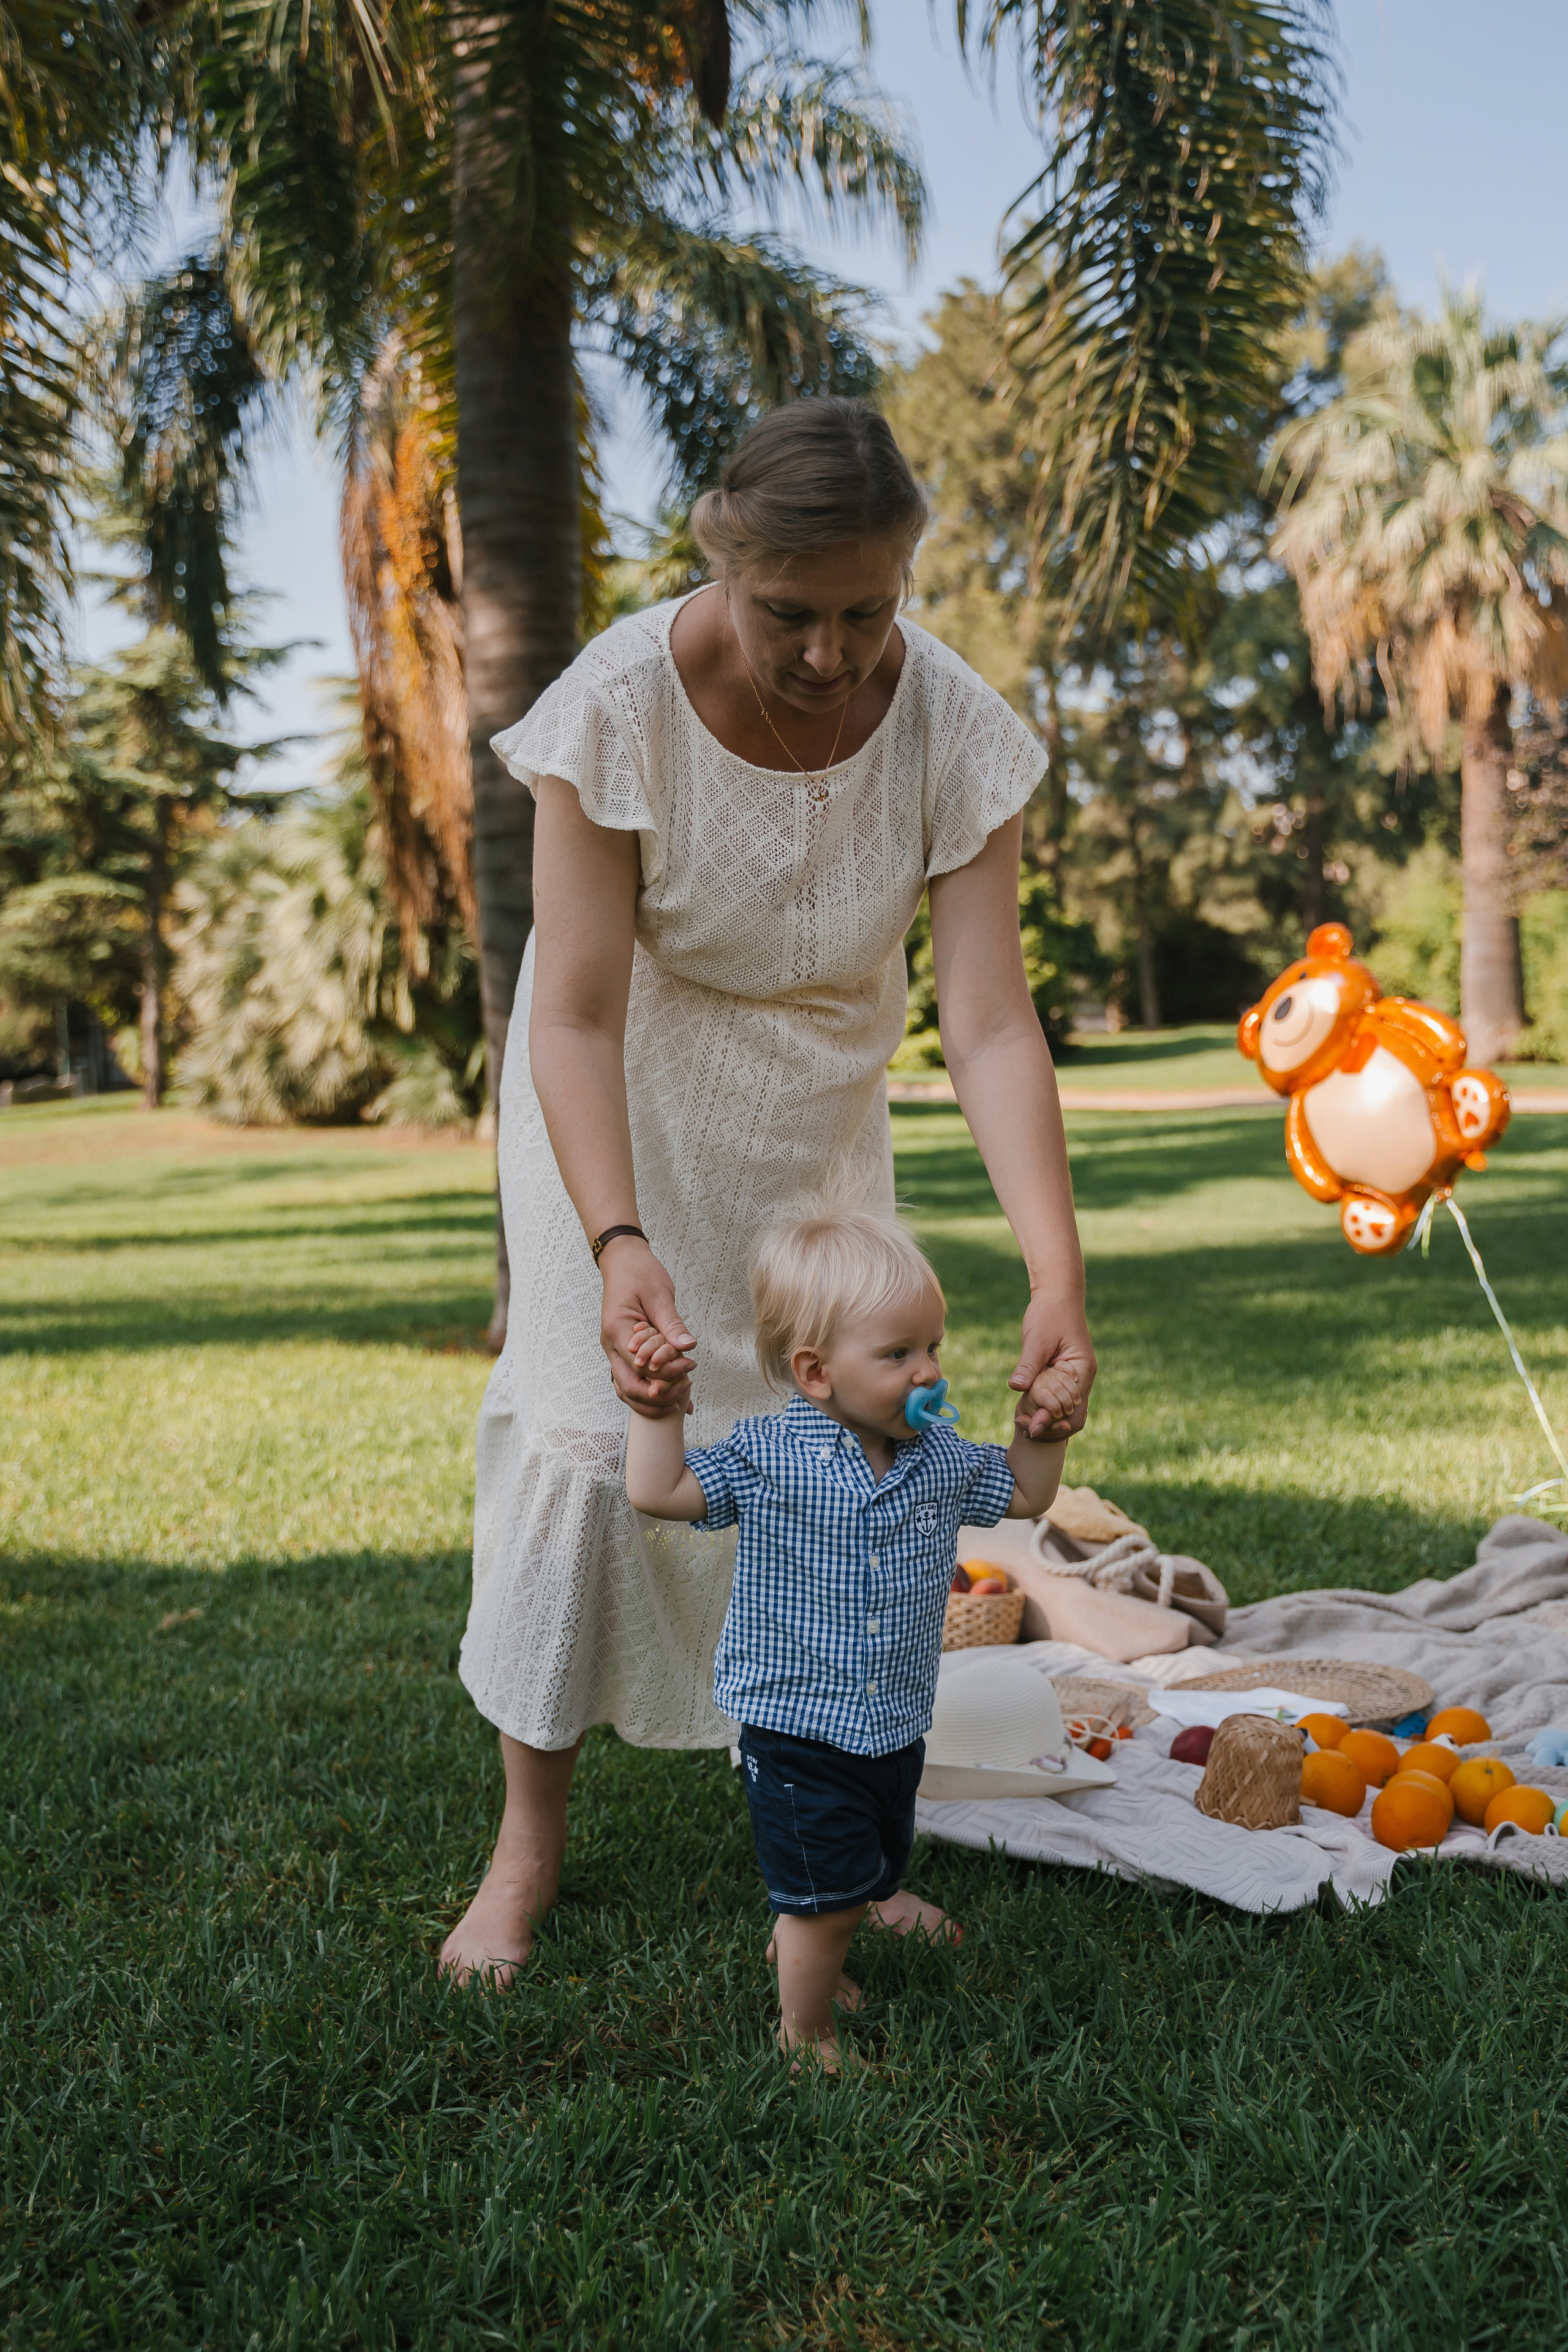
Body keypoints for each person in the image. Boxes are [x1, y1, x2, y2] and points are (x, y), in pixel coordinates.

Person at [440, 395, 1096, 1987]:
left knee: (839, 1473)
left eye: (869, 612)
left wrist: (1056, 1273)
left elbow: (991, 1019)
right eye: (788, 612)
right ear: (721, 561)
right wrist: (615, 1243)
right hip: (621, 1102)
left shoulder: (952, 725)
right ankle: (526, 1855)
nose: (831, 654)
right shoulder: (616, 707)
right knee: (605, 1448)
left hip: (813, 1120)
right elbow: (576, 1011)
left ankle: (835, 1844)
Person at [625, 1206, 1069, 2069]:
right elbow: (662, 1490)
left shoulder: (936, 1458)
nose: (928, 1370)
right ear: (816, 1372)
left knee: (867, 1865)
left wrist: (1040, 1435)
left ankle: (808, 1940)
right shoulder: (768, 1455)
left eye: (933, 1347)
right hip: (798, 1726)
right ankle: (805, 2028)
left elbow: (1023, 1497)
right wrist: (657, 1411)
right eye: (899, 1354)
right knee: (826, 1891)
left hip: (893, 1720)